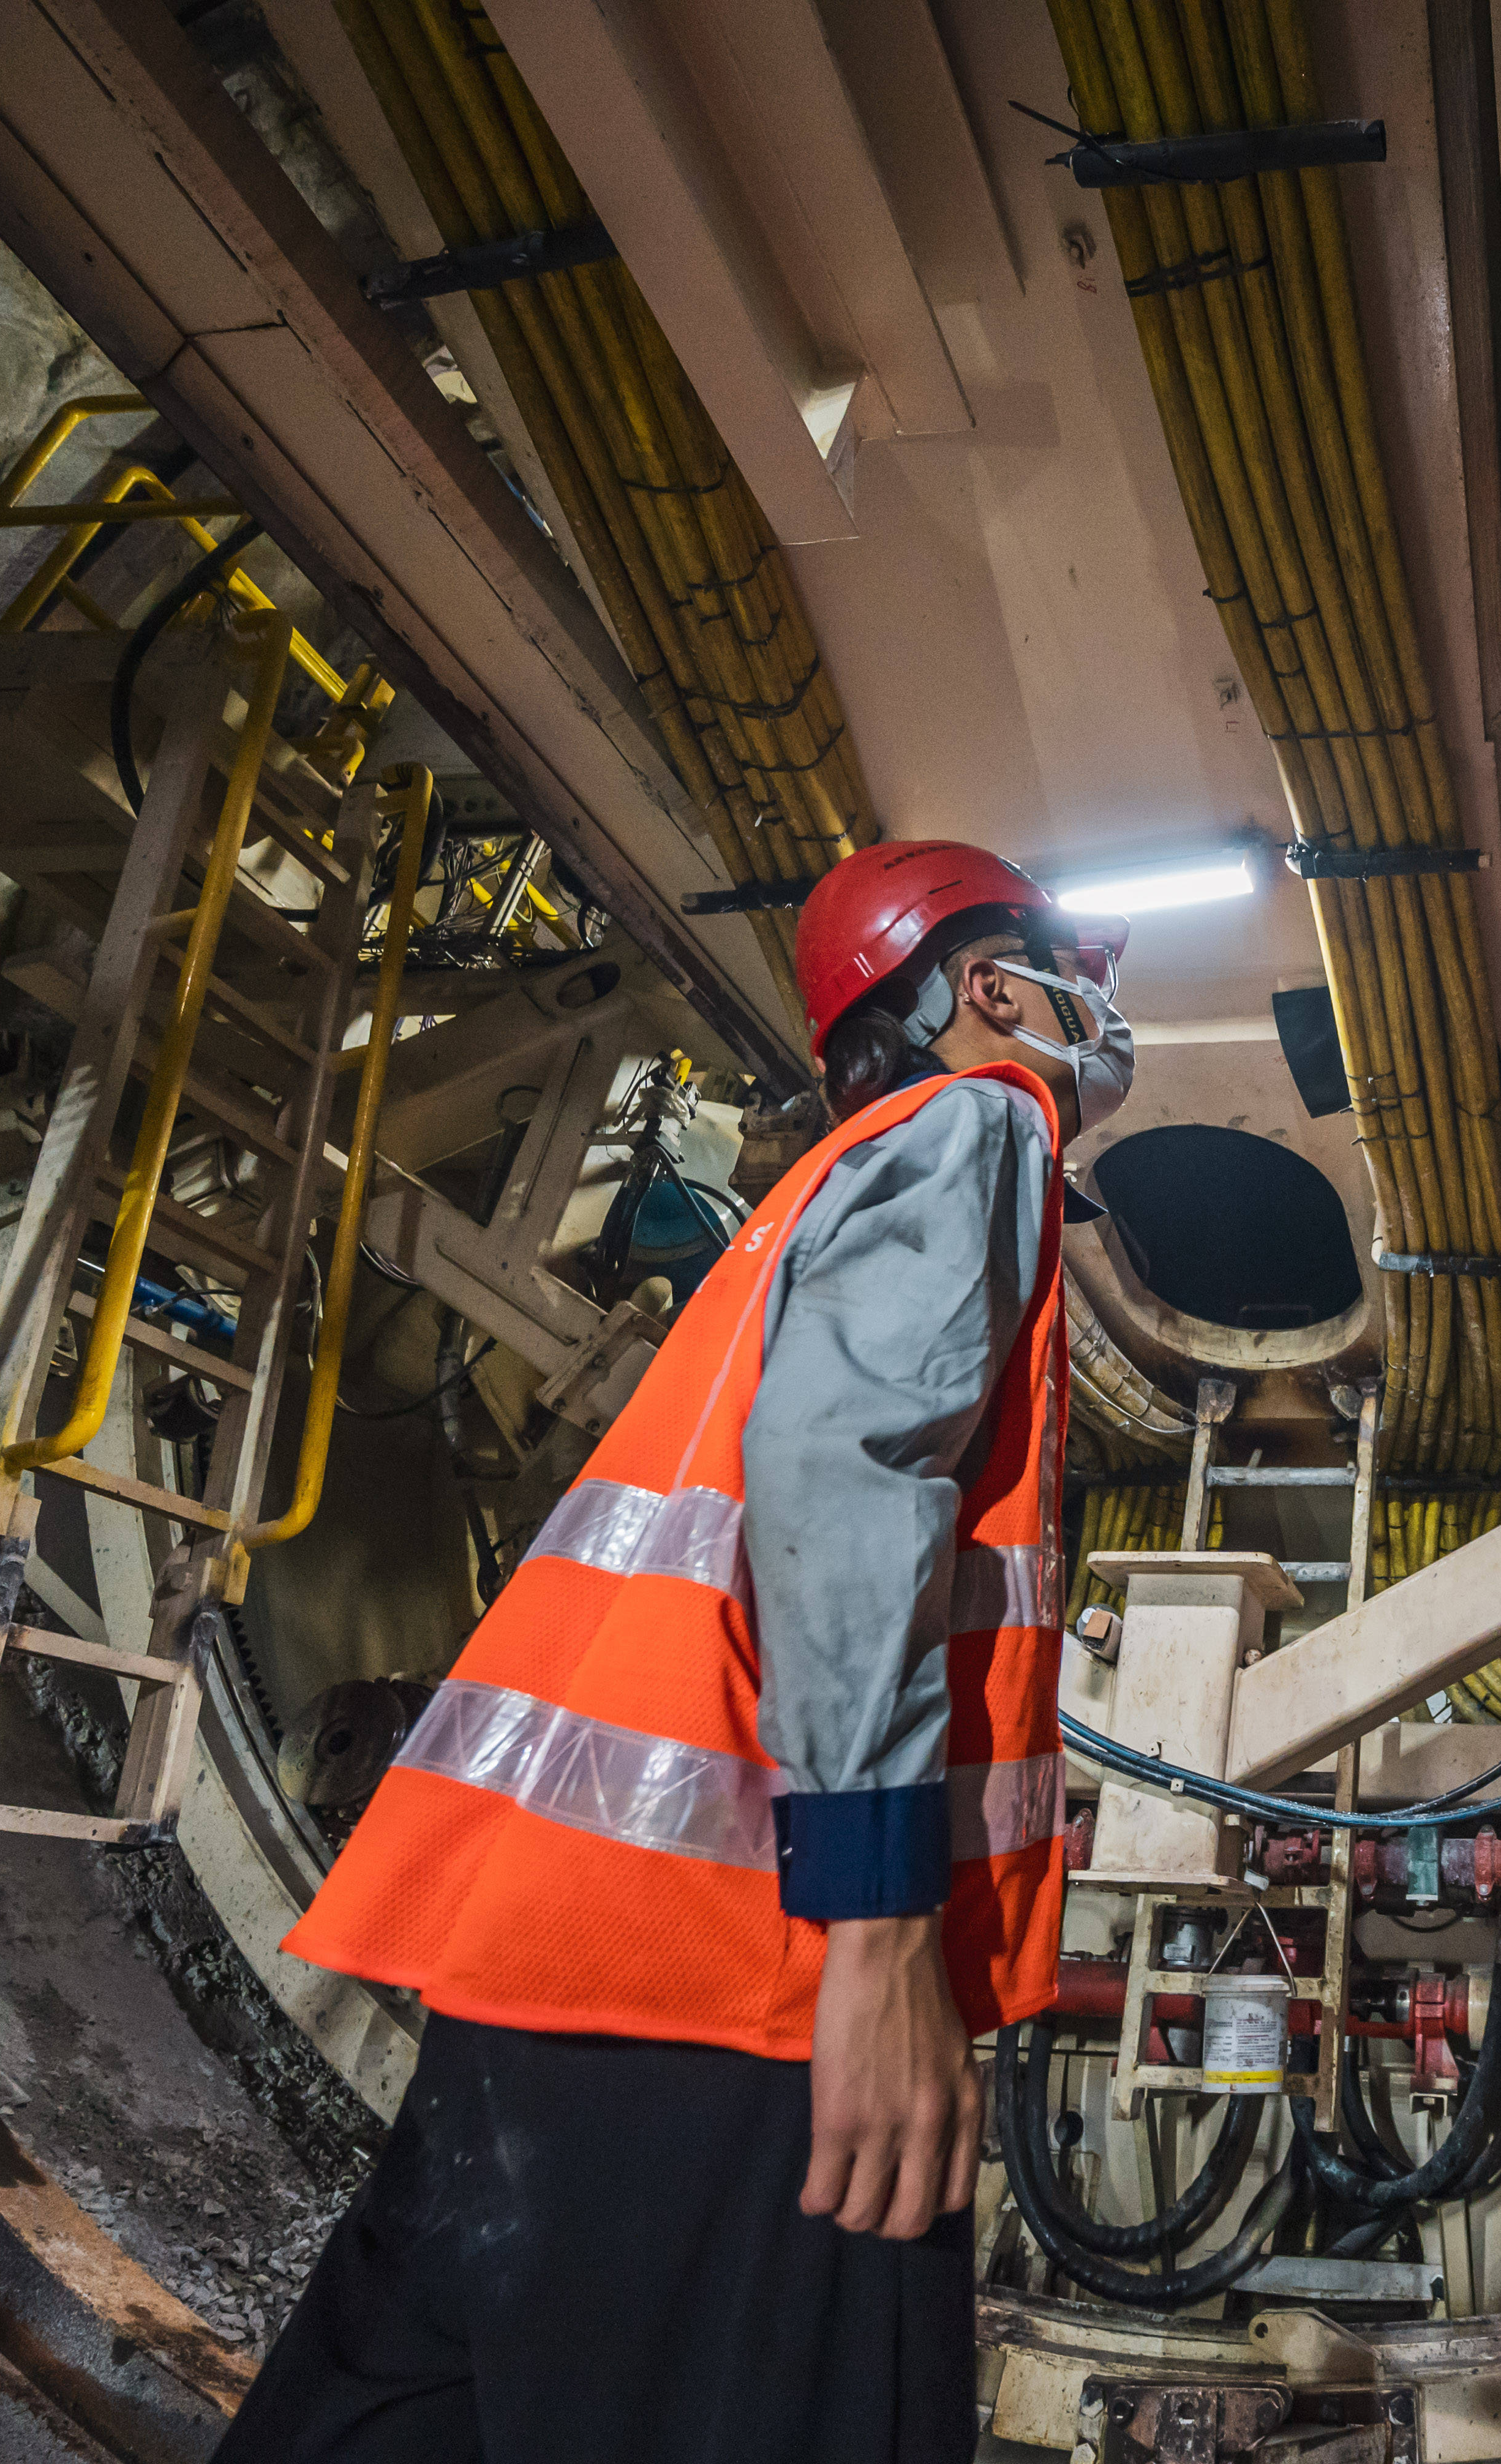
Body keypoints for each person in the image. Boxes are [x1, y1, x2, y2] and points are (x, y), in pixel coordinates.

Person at [217, 840, 1136, 2463]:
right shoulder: (981, 1124)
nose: (1097, 1006)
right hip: (743, 1981)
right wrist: (878, 1941)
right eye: (1074, 968)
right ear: (990, 990)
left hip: (557, 1962)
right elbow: (847, 1478)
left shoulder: (806, 1202)